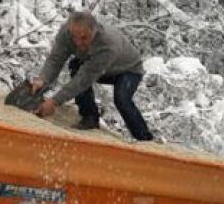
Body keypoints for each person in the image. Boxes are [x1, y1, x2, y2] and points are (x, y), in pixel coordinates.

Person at [32, 11, 153, 141]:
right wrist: (43, 79)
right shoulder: (66, 33)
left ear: (94, 31)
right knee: (75, 65)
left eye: (84, 37)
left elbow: (84, 79)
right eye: (74, 37)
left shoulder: (108, 44)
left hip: (129, 69)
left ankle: (144, 139)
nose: (78, 42)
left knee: (122, 99)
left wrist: (55, 101)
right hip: (99, 65)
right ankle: (90, 117)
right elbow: (56, 59)